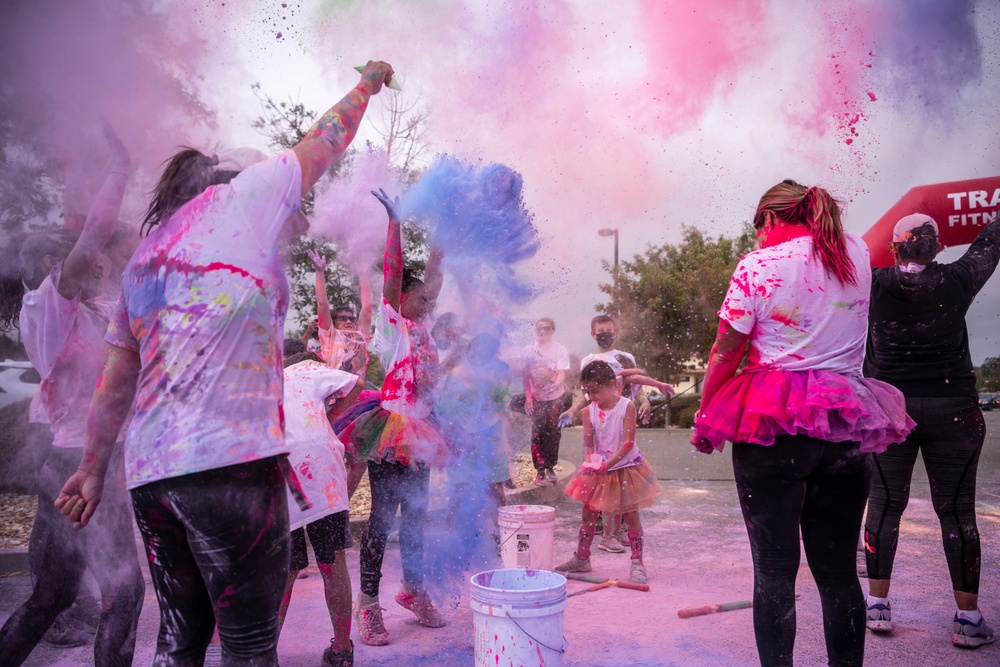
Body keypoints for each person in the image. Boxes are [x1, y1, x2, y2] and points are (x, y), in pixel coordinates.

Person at [54, 61, 395, 666]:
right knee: (246, 646)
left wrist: (91, 468)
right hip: (231, 469)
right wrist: (367, 84)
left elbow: (114, 383)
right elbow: (324, 138)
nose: (298, 212)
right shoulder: (246, 198)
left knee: (179, 641)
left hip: (152, 478)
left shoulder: (146, 259)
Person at [691, 179, 913, 667]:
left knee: (773, 570)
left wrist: (707, 415)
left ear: (771, 218)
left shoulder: (757, 266)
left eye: (757, 227)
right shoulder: (855, 251)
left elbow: (726, 353)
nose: (755, 238)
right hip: (845, 418)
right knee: (837, 571)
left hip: (774, 424)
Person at [0, 121, 144, 667]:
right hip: (76, 462)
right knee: (124, 592)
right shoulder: (47, 308)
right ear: (49, 266)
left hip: (85, 461)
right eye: (84, 253)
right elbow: (92, 240)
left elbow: (132, 267)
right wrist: (118, 173)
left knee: (53, 594)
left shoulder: (94, 310)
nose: (101, 257)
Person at [863, 212, 1000, 648]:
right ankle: (967, 618)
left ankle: (878, 608)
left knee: (884, 504)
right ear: (938, 247)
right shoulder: (958, 279)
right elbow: (991, 241)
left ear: (895, 249)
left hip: (890, 410)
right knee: (956, 510)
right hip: (953, 410)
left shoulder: (872, 282)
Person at [338, 188, 449, 646]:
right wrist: (395, 224)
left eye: (428, 300)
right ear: (400, 300)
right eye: (419, 299)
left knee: (418, 518)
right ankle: (368, 605)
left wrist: (447, 226)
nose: (427, 303)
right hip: (391, 429)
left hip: (422, 431)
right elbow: (393, 272)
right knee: (382, 520)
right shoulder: (392, 324)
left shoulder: (422, 326)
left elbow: (435, 277)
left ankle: (413, 590)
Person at [277, 347, 363, 667]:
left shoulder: (265, 378)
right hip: (322, 467)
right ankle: (342, 652)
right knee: (332, 560)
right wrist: (328, 418)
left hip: (283, 470)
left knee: (283, 568)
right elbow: (356, 384)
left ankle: (262, 653)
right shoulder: (309, 368)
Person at [555, 360, 663, 584]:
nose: (591, 396)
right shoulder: (588, 411)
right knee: (589, 513)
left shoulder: (627, 407)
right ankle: (582, 558)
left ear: (612, 384)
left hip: (626, 467)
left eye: (595, 390)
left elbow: (627, 444)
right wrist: (590, 462)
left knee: (630, 515)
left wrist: (606, 464)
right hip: (600, 469)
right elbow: (588, 443)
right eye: (587, 391)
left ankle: (637, 563)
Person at [307, 248, 372, 377]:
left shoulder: (360, 335)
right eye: (342, 318)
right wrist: (319, 272)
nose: (348, 321)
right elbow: (322, 304)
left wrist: (363, 273)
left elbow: (367, 308)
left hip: (356, 392)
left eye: (352, 319)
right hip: (334, 391)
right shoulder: (330, 335)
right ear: (334, 322)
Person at [521, 317, 570, 486]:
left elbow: (562, 371)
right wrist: (528, 397)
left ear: (552, 330)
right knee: (537, 433)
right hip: (537, 398)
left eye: (547, 328)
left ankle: (550, 467)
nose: (543, 331)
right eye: (540, 328)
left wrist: (559, 381)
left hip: (555, 397)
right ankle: (539, 471)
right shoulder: (529, 350)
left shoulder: (559, 349)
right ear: (536, 330)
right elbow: (525, 376)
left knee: (554, 433)